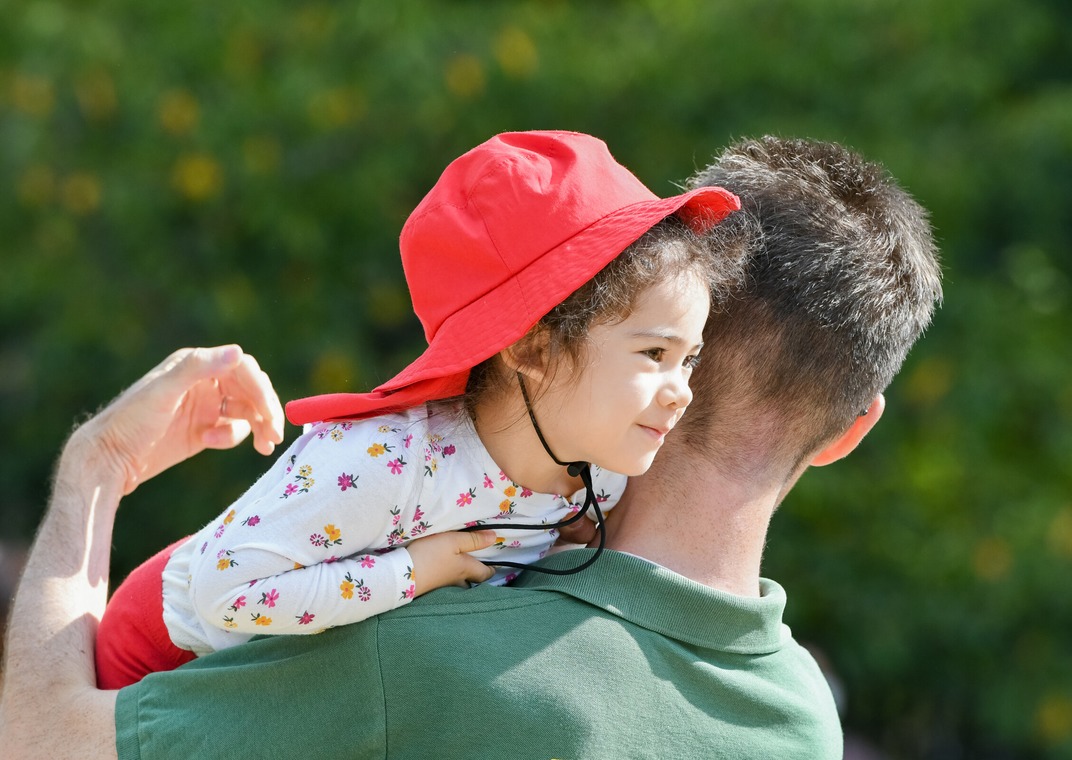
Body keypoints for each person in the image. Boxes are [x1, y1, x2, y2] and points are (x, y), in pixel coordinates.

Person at [0, 135, 941, 759]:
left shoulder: (424, 651)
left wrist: (97, 469)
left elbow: (40, 741)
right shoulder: (802, 719)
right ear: (850, 430)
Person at [93, 130, 743, 688]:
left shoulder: (601, 471)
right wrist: (410, 572)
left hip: (279, 674)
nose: (680, 388)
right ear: (534, 350)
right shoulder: (390, 462)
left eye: (689, 359)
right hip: (166, 653)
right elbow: (221, 593)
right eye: (654, 353)